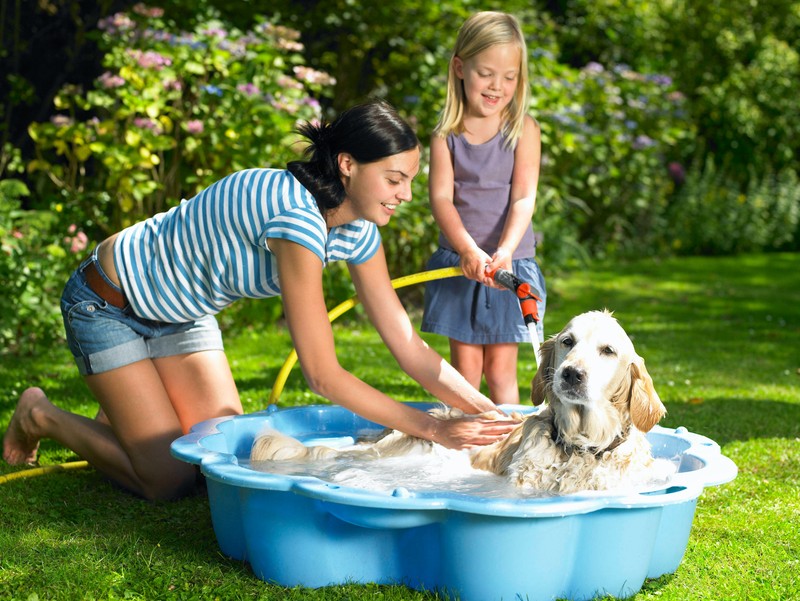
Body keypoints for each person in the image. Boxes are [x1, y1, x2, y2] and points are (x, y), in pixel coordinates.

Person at [2, 100, 518, 501]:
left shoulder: (358, 232)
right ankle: (40, 414)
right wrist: (432, 427)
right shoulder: (295, 217)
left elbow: (406, 344)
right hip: (109, 304)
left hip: (181, 316)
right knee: (167, 479)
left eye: (409, 179)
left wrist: (487, 410)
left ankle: (126, 409)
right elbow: (321, 373)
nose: (406, 194)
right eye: (394, 178)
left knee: (216, 456)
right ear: (347, 165)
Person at [421, 11, 547, 405]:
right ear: (460, 67)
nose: (497, 86)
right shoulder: (446, 136)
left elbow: (524, 196)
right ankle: (461, 448)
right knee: (466, 369)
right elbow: (441, 199)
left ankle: (505, 445)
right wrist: (467, 249)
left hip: (510, 264)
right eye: (486, 74)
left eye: (509, 77)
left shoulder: (524, 129)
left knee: (501, 369)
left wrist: (505, 251)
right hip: (463, 264)